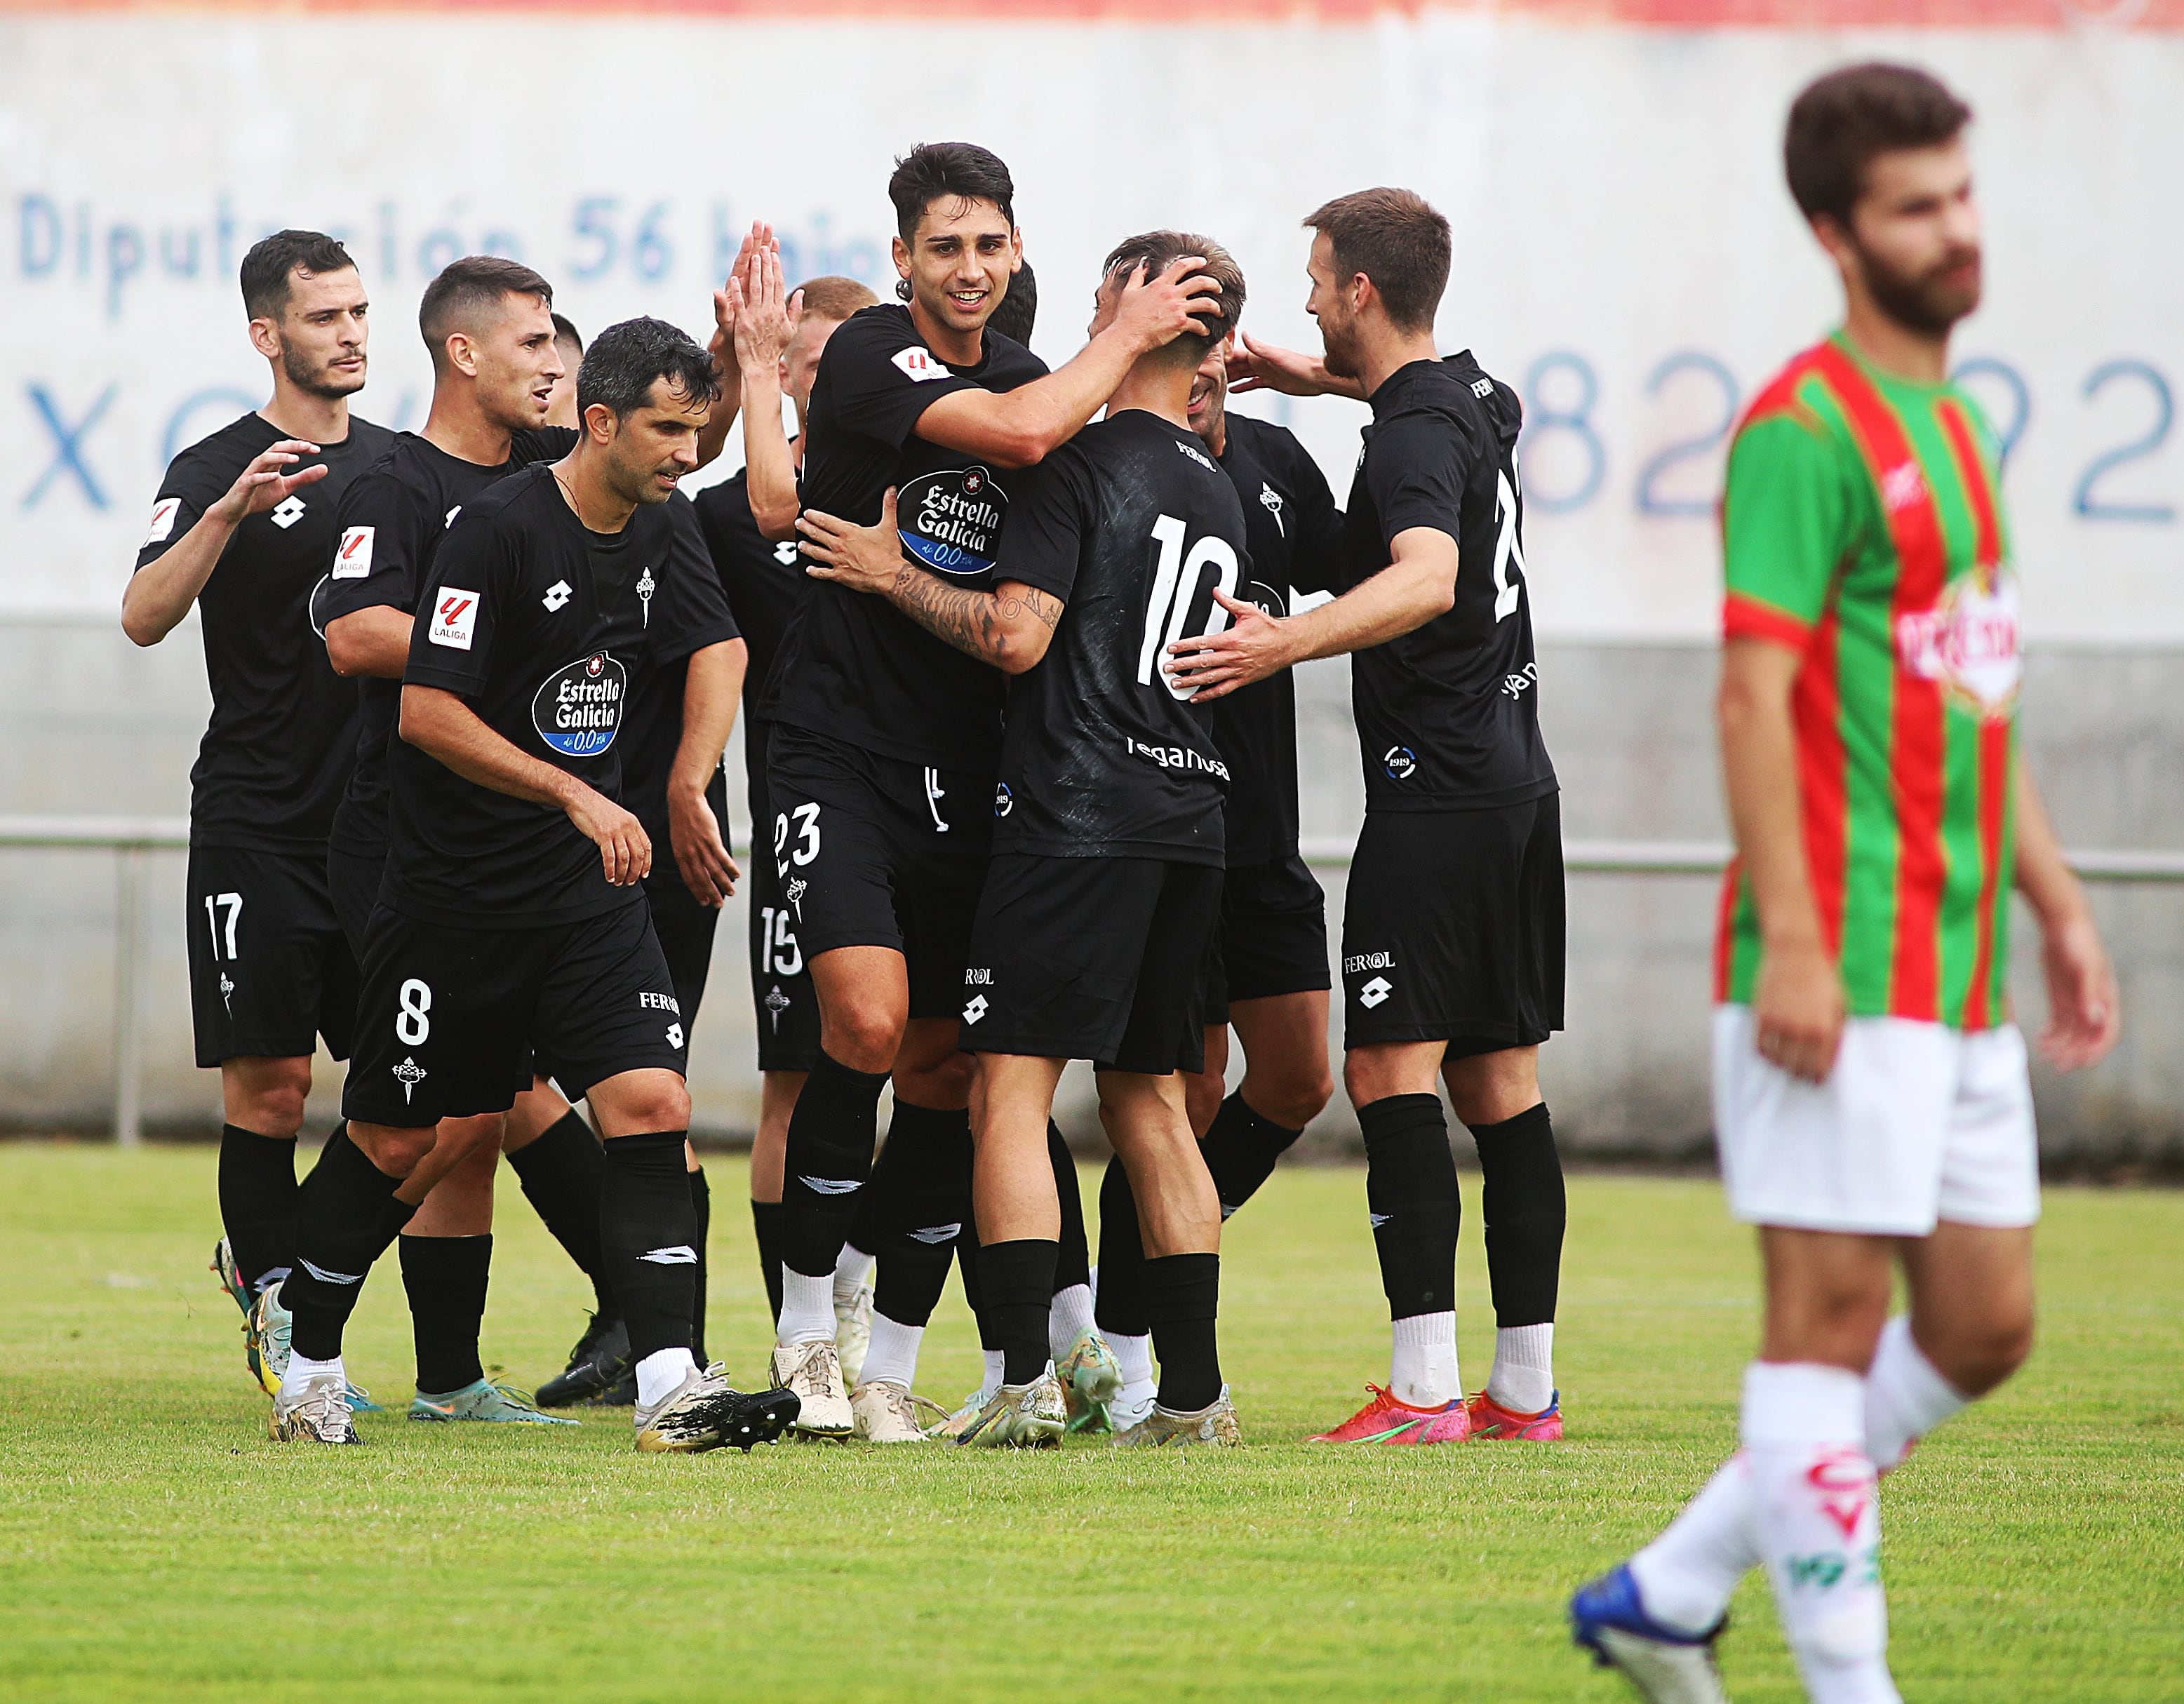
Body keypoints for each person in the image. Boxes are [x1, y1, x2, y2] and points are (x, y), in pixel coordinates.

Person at [1569, 65, 2120, 1704]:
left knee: (1985, 1328)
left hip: (1956, 974)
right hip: (1839, 960)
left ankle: (1670, 1590)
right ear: (1835, 232)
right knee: (1819, 1329)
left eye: (1961, 195)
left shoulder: (1958, 425)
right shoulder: (1804, 433)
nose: (1956, 232)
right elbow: (1752, 696)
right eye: (1914, 208)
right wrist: (1799, 944)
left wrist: (2058, 900)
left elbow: (1973, 694)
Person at [756, 142, 1222, 1440]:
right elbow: (1024, 431)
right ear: (903, 258)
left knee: (953, 1071)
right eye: (944, 244)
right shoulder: (872, 360)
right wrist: (1128, 332)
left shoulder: (1041, 381)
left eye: (990, 244)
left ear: (1017, 255)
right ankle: (807, 1331)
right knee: (862, 1020)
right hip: (838, 744)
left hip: (976, 773)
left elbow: (1076, 450)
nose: (969, 267)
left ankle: (891, 1358)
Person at [267, 318, 794, 1454]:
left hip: (584, 900)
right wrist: (574, 791)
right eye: (664, 428)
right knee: (403, 1141)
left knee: (651, 1104)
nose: (682, 449)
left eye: (695, 427)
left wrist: (684, 783)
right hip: (451, 901)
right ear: (599, 422)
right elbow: (429, 711)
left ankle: (668, 1383)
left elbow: (719, 643)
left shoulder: (662, 530)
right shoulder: (496, 532)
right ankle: (306, 1359)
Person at [1169, 187, 1569, 1445]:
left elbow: (1425, 576)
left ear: (1358, 292)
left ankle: (1423, 1389)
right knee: (1500, 1081)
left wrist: (1282, 642)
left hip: (1436, 790)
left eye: (1315, 280)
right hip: (1515, 778)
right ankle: (1523, 1391)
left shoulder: (1406, 439)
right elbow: (1452, 409)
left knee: (1385, 1068)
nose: (1300, 301)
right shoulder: (1465, 398)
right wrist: (1324, 380)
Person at [316, 255, 591, 1426]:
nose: (553, 362)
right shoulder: (390, 477)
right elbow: (354, 629)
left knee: (476, 1115)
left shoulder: (546, 477)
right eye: (533, 342)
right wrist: (489, 637)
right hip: (401, 837)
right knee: (409, 1114)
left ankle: (446, 1377)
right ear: (464, 353)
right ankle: (293, 1303)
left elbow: (650, 455)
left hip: (516, 844)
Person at [121, 230, 393, 1402]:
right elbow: (140, 614)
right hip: (258, 823)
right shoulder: (215, 464)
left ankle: (303, 1274)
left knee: (410, 1095)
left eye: (359, 313)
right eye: (325, 317)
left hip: (382, 833)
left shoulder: (400, 467)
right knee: (271, 1090)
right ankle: (286, 1319)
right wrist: (228, 513)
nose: (350, 334)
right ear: (266, 335)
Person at [1092, 317, 1340, 1430]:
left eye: (1206, 347)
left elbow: (1385, 562)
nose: (1186, 372)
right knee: (1171, 1097)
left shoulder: (1278, 465)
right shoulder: (1106, 460)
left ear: (1228, 353)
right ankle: (1124, 1347)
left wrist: (1334, 382)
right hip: (1164, 824)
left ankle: (1161, 1265)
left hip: (1264, 836)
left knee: (1296, 1078)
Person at [692, 267, 877, 1342]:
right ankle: (799, 1331)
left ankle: (877, 1314)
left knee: (938, 1073)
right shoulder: (732, 516)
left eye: (815, 353)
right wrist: (735, 367)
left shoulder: (910, 490)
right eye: (793, 354)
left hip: (920, 815)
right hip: (805, 831)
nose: (805, 371)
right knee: (795, 1081)